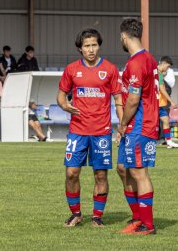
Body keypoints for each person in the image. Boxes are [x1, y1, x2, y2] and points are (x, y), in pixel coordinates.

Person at [57, 28, 122, 227]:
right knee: (71, 173)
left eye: (94, 45)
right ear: (80, 49)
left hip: (101, 131)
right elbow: (61, 95)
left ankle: (97, 216)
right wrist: (64, 105)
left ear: (99, 46)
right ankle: (75, 213)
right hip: (77, 130)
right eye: (87, 46)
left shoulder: (110, 69)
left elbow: (118, 98)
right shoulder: (71, 69)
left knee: (100, 174)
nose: (91, 49)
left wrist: (121, 124)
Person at [116, 18, 158, 235]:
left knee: (139, 173)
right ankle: (137, 218)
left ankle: (147, 224)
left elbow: (133, 99)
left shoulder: (138, 62)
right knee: (123, 169)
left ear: (124, 37)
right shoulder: (148, 58)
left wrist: (122, 124)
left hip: (140, 125)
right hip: (135, 125)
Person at [157, 57, 178, 148]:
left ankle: (169, 142)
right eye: (167, 67)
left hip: (160, 103)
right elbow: (162, 89)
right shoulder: (157, 73)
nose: (167, 69)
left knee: (166, 120)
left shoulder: (158, 73)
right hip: (154, 103)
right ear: (164, 64)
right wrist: (171, 101)